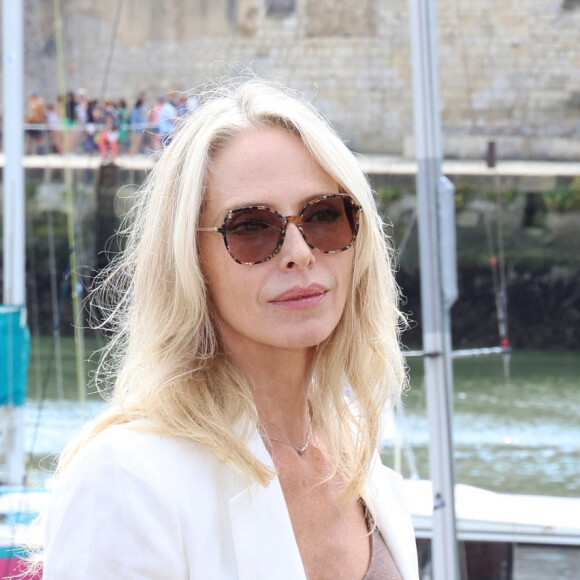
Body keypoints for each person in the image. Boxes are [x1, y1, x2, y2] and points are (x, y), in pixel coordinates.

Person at [37, 80, 419, 579]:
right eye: (251, 227)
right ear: (190, 261)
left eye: (324, 216)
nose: (300, 252)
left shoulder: (367, 475)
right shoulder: (126, 479)